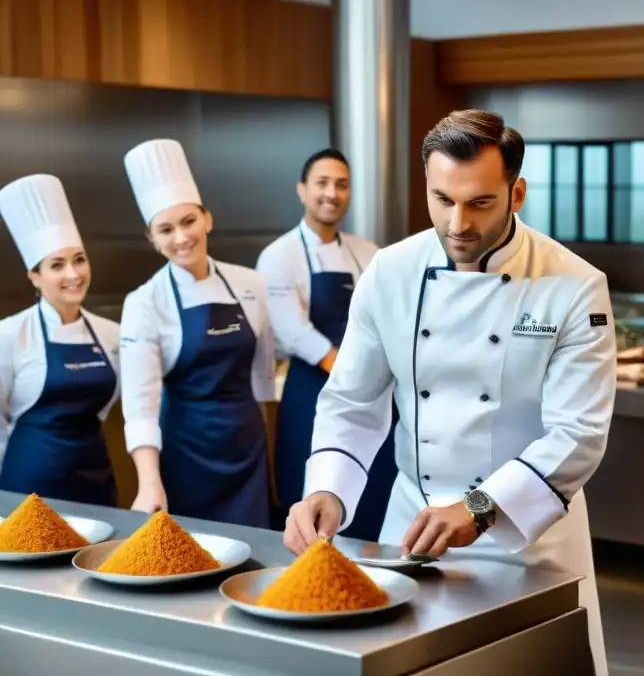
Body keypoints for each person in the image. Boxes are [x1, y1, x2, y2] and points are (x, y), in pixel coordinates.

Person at [282, 110, 616, 675]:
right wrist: (328, 490)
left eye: (480, 202)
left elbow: (577, 433)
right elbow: (353, 401)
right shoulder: (390, 272)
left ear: (517, 193)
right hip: (415, 529)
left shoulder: (575, 285)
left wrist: (481, 507)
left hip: (528, 540)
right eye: (442, 200)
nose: (458, 222)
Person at [118, 139, 277, 528]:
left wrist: (265, 444)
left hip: (246, 446)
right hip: (185, 450)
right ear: (153, 239)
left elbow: (263, 373)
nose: (181, 237)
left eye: (188, 221)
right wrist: (149, 482)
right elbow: (140, 403)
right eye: (166, 229)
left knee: (255, 549)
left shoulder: (251, 283)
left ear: (207, 218)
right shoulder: (144, 302)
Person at [256, 149, 389, 537]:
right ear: (302, 190)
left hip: (372, 388)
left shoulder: (370, 253)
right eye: (322, 183)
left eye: (341, 185)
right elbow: (293, 331)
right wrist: (350, 368)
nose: (332, 193)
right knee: (317, 487)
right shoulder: (278, 256)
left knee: (373, 487)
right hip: (311, 389)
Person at [0, 174, 121, 506]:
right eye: (57, 265)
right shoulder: (10, 334)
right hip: (28, 483)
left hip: (94, 477)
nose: (73, 274)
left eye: (79, 259)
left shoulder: (112, 333)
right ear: (35, 277)